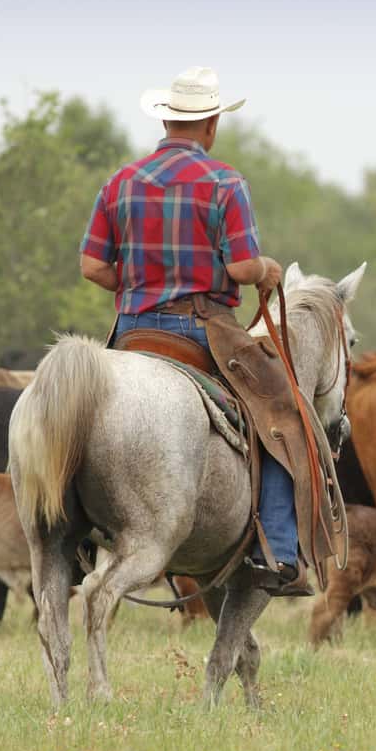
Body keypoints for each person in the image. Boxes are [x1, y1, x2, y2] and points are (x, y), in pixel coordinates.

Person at [78, 66, 312, 597]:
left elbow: (92, 267)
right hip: (202, 330)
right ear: (210, 124)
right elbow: (242, 268)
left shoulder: (121, 181)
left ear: (165, 121)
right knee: (283, 412)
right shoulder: (225, 183)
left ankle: (73, 537)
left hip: (133, 332)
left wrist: (139, 285)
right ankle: (275, 549)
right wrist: (268, 269)